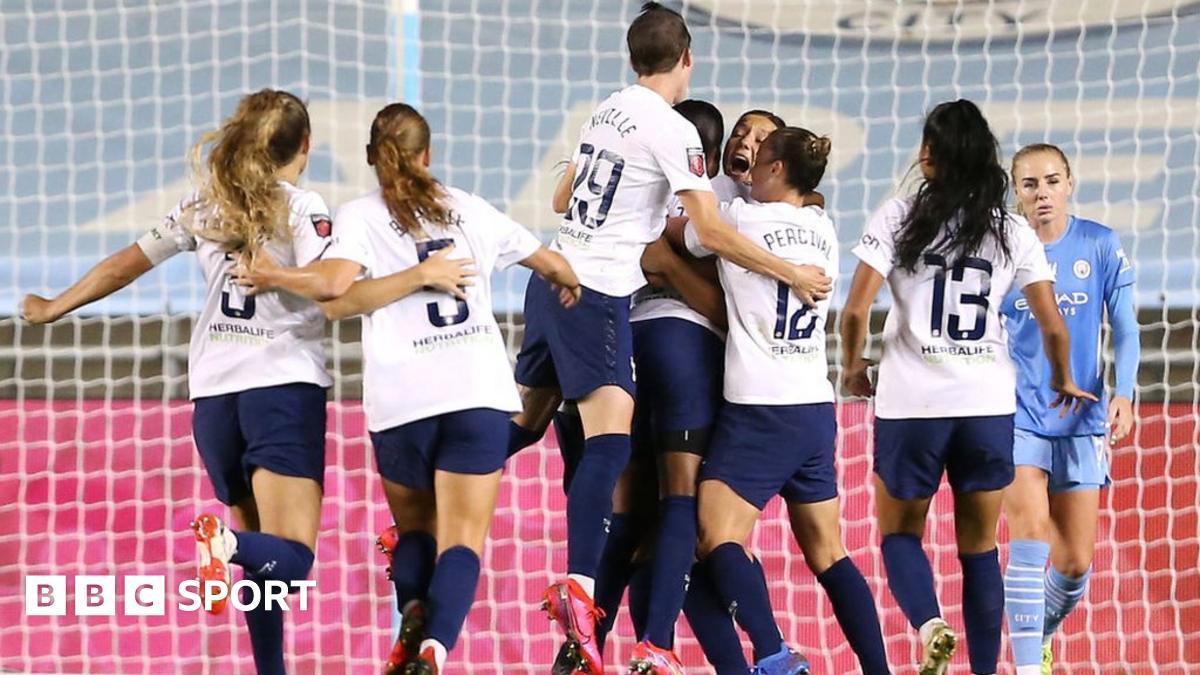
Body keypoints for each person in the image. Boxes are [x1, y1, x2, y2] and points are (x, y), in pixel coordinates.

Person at [510, 4, 832, 673]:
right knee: (664, 491)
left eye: (761, 141)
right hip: (614, 310)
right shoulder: (697, 163)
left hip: (558, 285)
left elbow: (565, 197)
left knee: (556, 448)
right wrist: (791, 273)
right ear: (686, 57)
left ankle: (587, 641)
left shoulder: (607, 110)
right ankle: (640, 632)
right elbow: (705, 238)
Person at [236, 103, 580, 674]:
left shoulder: (358, 217)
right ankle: (434, 650)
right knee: (463, 539)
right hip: (474, 394)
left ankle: (413, 614)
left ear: (373, 157)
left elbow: (336, 299)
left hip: (401, 402)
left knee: (417, 530)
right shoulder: (468, 208)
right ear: (428, 155)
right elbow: (551, 263)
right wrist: (568, 285)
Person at [21, 89, 333, 675]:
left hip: (214, 399)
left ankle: (271, 667)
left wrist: (55, 306)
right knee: (290, 556)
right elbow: (329, 281)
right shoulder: (301, 206)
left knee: (259, 563)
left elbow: (126, 262)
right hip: (280, 389)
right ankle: (229, 546)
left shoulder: (204, 204)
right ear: (305, 147)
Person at [838, 99, 1097, 675]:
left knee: (899, 534)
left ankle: (930, 624)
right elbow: (1053, 324)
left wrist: (852, 366)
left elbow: (854, 311)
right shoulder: (1011, 230)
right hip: (985, 406)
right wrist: (1063, 378)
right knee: (980, 551)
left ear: (928, 158)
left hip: (911, 405)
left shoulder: (898, 216)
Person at [690, 127, 890, 675]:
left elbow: (694, 233)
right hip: (814, 406)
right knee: (829, 552)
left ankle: (775, 654)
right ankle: (879, 668)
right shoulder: (822, 228)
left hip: (760, 408)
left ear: (777, 170)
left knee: (715, 535)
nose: (749, 165)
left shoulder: (741, 220)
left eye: (759, 158)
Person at [1000, 143, 1138, 675]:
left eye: (1052, 182)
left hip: (1082, 421)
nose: (1042, 194)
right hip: (1017, 415)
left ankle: (1038, 635)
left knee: (1075, 563)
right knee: (1031, 534)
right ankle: (1028, 667)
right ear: (1016, 191)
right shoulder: (1002, 250)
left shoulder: (1099, 244)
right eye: (1030, 184)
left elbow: (1125, 327)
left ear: (1070, 183)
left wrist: (1122, 392)